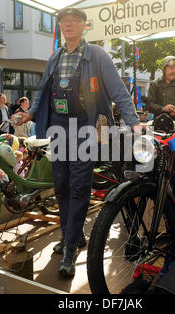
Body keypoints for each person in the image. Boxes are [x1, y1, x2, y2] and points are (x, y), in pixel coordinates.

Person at [16, 7, 140, 278]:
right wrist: (31, 113)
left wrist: (134, 122)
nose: (68, 24)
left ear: (85, 25)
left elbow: (119, 91)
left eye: (74, 20)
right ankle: (72, 234)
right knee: (60, 184)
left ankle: (70, 246)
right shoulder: (55, 57)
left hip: (86, 126)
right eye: (64, 21)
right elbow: (42, 92)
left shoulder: (97, 55)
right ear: (60, 26)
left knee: (80, 185)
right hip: (59, 125)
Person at [146, 55, 175, 125]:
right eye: (171, 68)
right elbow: (149, 104)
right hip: (159, 123)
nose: (173, 71)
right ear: (164, 69)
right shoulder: (155, 84)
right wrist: (163, 108)